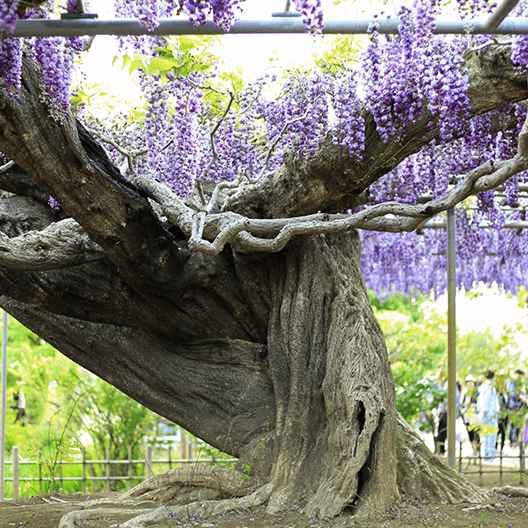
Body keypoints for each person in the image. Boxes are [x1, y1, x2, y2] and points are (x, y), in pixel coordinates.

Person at [476, 370, 500, 460]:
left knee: (488, 434)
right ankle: (490, 455)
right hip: (489, 413)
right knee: (491, 434)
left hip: (488, 413)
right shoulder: (488, 387)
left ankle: (488, 454)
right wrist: (485, 411)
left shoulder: (484, 386)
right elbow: (486, 400)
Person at [461, 374, 480, 461]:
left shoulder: (476, 393)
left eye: (471, 382)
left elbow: (479, 404)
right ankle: (474, 451)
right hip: (467, 417)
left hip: (475, 416)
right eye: (468, 382)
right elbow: (463, 404)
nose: (470, 384)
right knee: (470, 435)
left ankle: (475, 452)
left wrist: (474, 405)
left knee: (475, 434)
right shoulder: (465, 393)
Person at [506, 369, 526, 446]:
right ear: (517, 374)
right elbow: (513, 394)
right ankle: (512, 440)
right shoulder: (511, 381)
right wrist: (523, 399)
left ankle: (515, 440)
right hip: (513, 405)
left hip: (518, 406)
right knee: (513, 423)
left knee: (518, 423)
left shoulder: (517, 383)